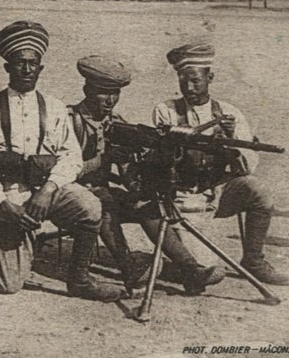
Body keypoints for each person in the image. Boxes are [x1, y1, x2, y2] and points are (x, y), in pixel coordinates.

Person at [0, 21, 123, 300]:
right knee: (9, 285)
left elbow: (71, 156)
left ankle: (79, 280)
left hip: (46, 191)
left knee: (90, 206)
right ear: (7, 68)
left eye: (33, 63)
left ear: (40, 68)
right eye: (19, 63)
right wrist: (3, 203)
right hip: (9, 195)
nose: (26, 70)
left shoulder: (53, 107)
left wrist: (49, 189)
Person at [68, 56, 225, 293]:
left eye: (115, 93)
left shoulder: (116, 122)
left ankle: (190, 269)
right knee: (104, 199)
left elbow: (128, 173)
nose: (110, 100)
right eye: (103, 93)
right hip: (69, 193)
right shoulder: (69, 120)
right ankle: (128, 267)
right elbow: (62, 171)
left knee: (146, 203)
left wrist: (140, 176)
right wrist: (105, 159)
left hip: (100, 194)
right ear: (87, 89)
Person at [152, 42, 289, 285]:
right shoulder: (166, 110)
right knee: (206, 270)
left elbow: (247, 167)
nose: (189, 87)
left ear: (210, 77)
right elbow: (160, 161)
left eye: (195, 80)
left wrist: (230, 140)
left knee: (259, 191)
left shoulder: (229, 112)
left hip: (217, 193)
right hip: (182, 198)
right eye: (183, 81)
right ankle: (155, 265)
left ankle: (254, 260)